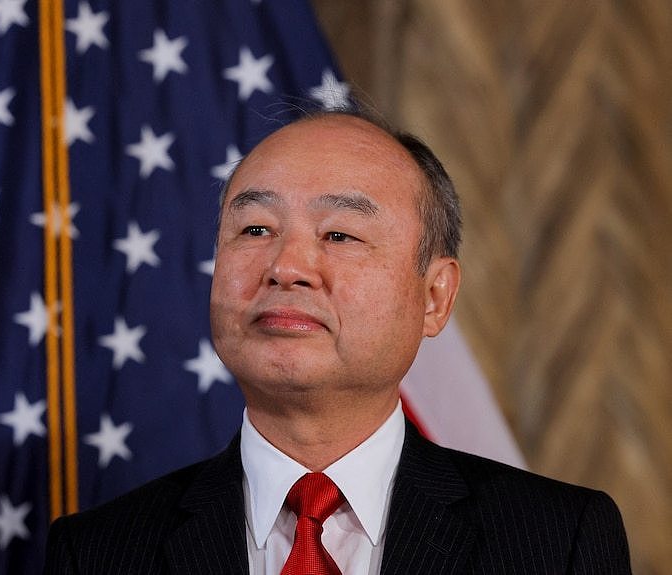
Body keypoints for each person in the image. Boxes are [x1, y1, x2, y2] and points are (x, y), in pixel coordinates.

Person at [43, 110, 631, 574]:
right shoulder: (96, 553)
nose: (287, 267)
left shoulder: (558, 543)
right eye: (254, 229)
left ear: (435, 296)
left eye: (341, 234)